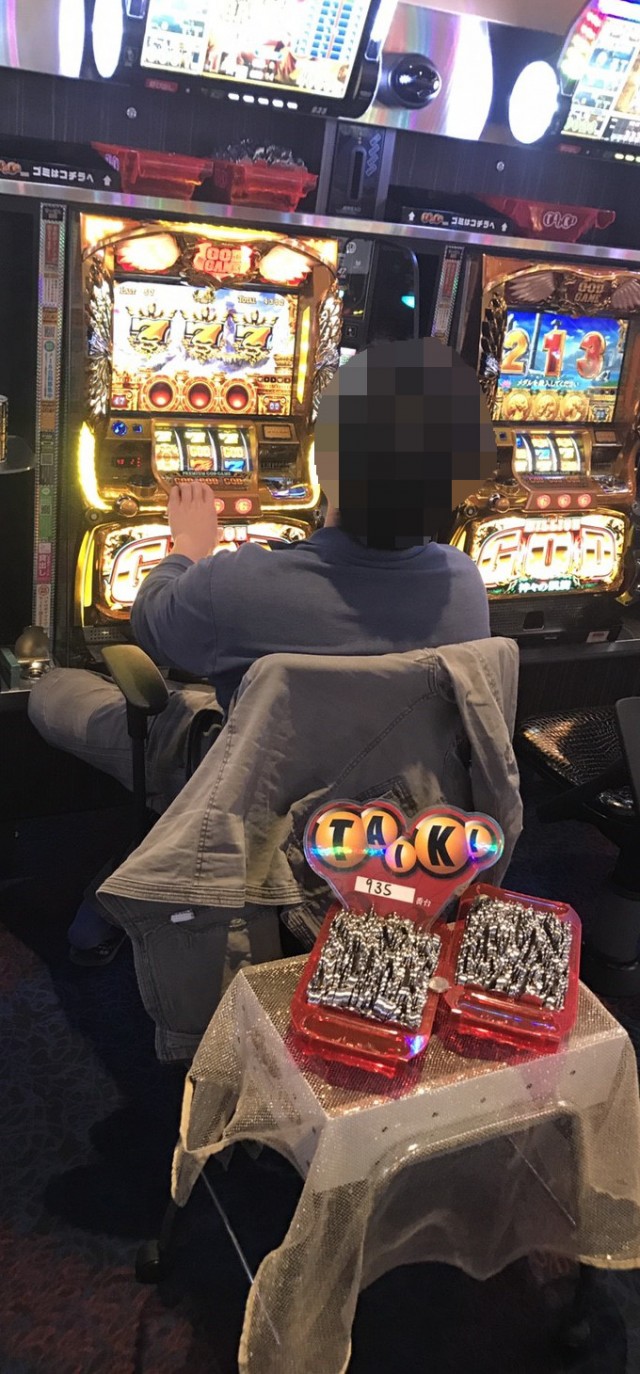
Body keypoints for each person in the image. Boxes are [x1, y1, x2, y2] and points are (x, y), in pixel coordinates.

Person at [29, 336, 496, 964]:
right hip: (400, 813)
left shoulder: (242, 583)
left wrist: (188, 547)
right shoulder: (464, 582)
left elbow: (151, 621)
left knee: (52, 689)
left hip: (247, 785)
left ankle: (162, 852)